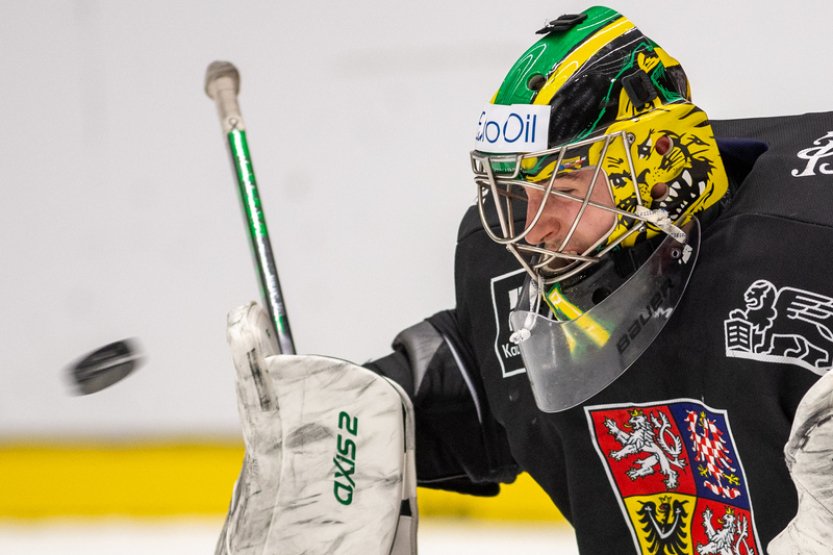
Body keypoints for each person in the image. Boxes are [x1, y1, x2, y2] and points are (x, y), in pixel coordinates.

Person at [366, 5, 833, 554]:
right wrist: (350, 423)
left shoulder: (810, 237)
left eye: (564, 186)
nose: (532, 229)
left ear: (656, 160)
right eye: (516, 193)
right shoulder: (507, 269)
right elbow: (498, 391)